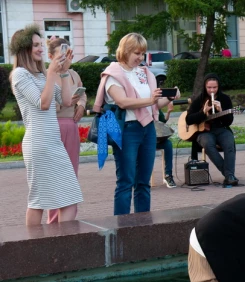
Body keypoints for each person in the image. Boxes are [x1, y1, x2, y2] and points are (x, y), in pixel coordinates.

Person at [93, 33, 178, 215]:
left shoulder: (143, 72)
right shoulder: (112, 74)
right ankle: (123, 229)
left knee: (143, 181)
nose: (140, 57)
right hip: (127, 131)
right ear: (125, 50)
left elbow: (152, 104)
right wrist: (150, 100)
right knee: (126, 181)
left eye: (142, 53)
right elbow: (123, 102)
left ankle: (142, 226)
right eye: (136, 53)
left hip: (148, 129)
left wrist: (169, 97)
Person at [9, 24, 82, 225]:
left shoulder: (40, 75)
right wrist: (51, 73)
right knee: (39, 200)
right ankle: (34, 247)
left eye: (41, 44)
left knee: (70, 196)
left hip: (53, 142)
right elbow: (43, 103)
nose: (41, 48)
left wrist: (64, 73)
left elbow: (66, 101)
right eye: (35, 45)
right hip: (38, 144)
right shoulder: (20, 75)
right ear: (24, 49)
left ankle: (61, 243)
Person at [46, 37, 87, 224]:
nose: (66, 59)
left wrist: (81, 104)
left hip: (71, 125)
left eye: (69, 54)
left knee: (72, 173)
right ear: (51, 56)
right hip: (54, 125)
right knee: (56, 175)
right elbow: (50, 105)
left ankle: (69, 218)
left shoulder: (74, 74)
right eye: (62, 55)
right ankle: (53, 220)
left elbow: (82, 93)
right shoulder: (50, 76)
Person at [188, 73, 238, 186]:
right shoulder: (199, 100)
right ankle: (228, 174)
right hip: (204, 132)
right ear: (205, 87)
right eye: (209, 87)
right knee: (208, 144)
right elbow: (188, 120)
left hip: (221, 129)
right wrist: (202, 112)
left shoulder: (225, 99)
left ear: (218, 87)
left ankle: (229, 175)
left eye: (214, 87)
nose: (212, 90)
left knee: (229, 144)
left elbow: (229, 121)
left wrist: (221, 111)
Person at [156, 100, 177, 188]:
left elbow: (162, 122)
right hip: (145, 140)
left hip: (157, 140)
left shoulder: (156, 108)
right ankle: (140, 179)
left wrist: (168, 112)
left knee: (168, 144)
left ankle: (168, 175)